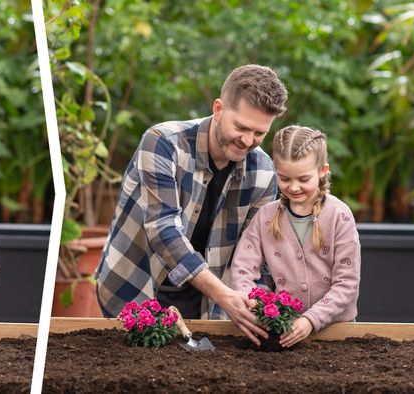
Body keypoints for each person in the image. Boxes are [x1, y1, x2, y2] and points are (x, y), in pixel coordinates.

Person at [95, 64, 287, 345]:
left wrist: (252, 301)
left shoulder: (264, 172)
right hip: (135, 284)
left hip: (204, 303)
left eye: (259, 133)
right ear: (218, 109)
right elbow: (163, 230)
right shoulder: (163, 143)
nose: (248, 141)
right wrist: (223, 294)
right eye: (241, 127)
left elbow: (254, 252)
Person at [229, 125, 361, 348]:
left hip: (337, 335)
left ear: (322, 171)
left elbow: (347, 283)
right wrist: (254, 304)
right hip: (282, 334)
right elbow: (242, 269)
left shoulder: (340, 215)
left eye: (303, 179)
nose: (294, 187)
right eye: (284, 178)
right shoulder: (265, 217)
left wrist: (311, 320)